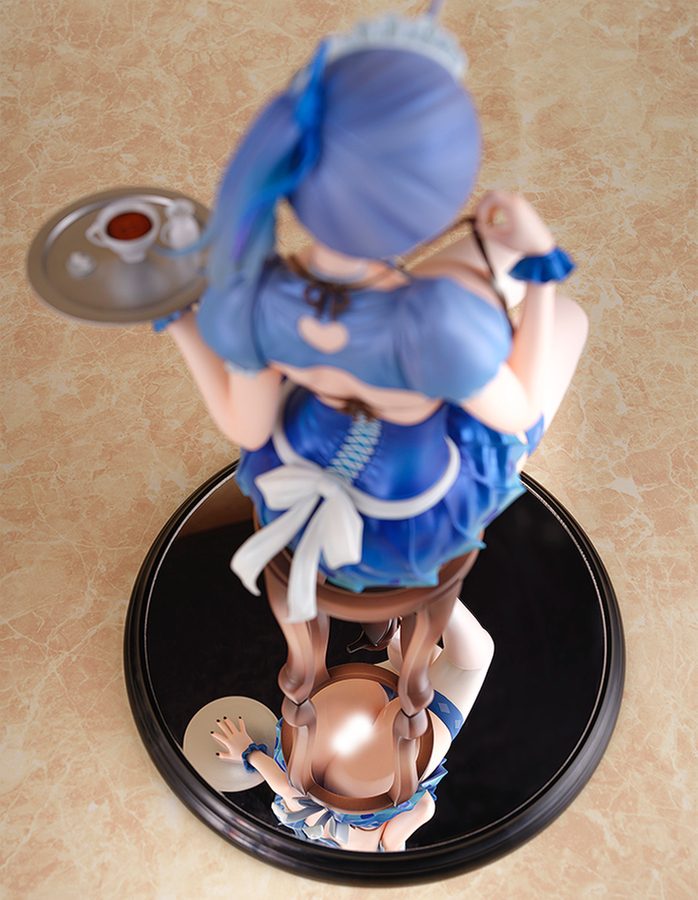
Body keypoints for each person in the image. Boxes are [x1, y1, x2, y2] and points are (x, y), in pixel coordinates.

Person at [159, 8, 588, 623]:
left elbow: (248, 430)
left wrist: (180, 322)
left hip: (298, 470)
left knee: (489, 269)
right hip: (413, 517)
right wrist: (543, 269)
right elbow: (516, 411)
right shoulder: (438, 322)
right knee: (568, 319)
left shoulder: (257, 299)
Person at [211, 597, 495, 852]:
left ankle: (435, 591)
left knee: (467, 666)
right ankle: (393, 630)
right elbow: (286, 788)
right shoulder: (305, 830)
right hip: (316, 741)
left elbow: (424, 808)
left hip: (371, 781)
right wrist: (248, 752)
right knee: (413, 670)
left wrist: (411, 813)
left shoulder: (374, 856)